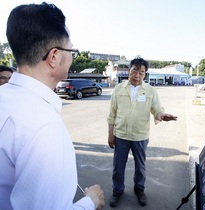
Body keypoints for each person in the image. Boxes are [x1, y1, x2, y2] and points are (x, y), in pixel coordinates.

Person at [0, 3, 104, 210]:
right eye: (71, 49)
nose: (72, 56)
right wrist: (90, 202)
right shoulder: (45, 127)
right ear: (54, 56)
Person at [107, 57, 177, 207]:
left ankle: (139, 189)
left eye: (141, 72)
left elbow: (157, 109)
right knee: (118, 167)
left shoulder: (150, 90)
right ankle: (117, 190)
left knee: (140, 166)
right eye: (134, 71)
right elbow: (112, 113)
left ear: (145, 74)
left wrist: (162, 116)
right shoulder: (119, 88)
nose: (137, 75)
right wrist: (110, 134)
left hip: (140, 136)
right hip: (121, 135)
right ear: (129, 70)